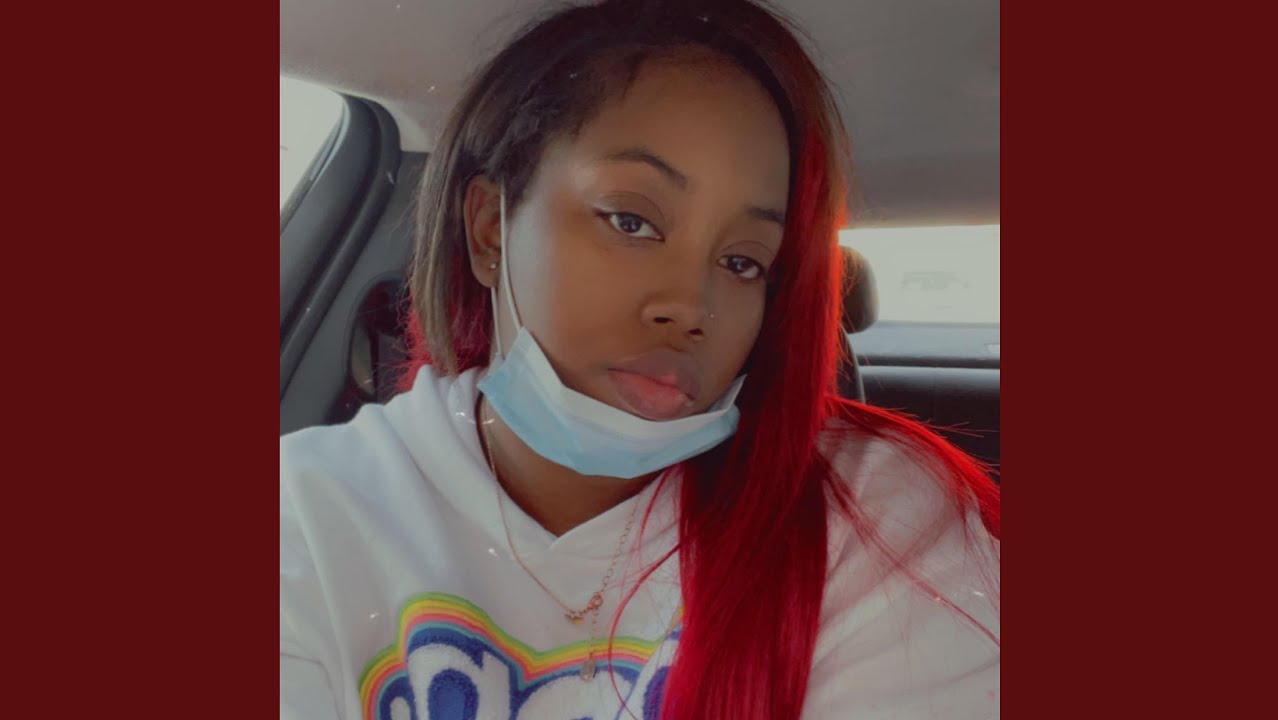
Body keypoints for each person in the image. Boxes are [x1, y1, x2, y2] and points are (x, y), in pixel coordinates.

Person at [280, 1, 1000, 718]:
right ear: (491, 229)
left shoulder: (869, 515)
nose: (690, 305)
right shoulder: (310, 514)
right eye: (632, 221)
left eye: (743, 262)